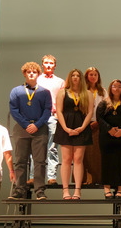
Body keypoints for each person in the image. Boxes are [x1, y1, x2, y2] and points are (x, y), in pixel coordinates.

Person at [9, 61, 52, 200]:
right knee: (20, 160)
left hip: (39, 129)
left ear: (38, 74)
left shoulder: (45, 92)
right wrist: (26, 124)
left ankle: (39, 190)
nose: (31, 74)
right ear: (24, 73)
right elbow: (14, 110)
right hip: (22, 129)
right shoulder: (16, 91)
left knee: (40, 161)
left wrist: (37, 125)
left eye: (34, 72)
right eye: (29, 72)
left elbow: (47, 111)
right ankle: (19, 189)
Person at [54, 69, 93, 200]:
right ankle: (65, 191)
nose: (75, 78)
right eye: (73, 75)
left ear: (81, 78)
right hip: (66, 126)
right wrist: (66, 128)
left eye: (78, 76)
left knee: (78, 159)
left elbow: (90, 112)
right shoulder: (62, 92)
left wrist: (82, 128)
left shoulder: (87, 93)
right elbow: (59, 111)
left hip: (82, 126)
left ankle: (77, 190)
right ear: (69, 78)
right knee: (66, 159)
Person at [97, 80, 121, 198]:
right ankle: (107, 188)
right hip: (106, 136)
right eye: (114, 86)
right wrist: (109, 129)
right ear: (110, 88)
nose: (117, 89)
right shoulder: (104, 103)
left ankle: (120, 189)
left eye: (119, 87)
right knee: (106, 161)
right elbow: (99, 118)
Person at [35, 54, 65, 185]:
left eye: (51, 63)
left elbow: (63, 100)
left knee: (52, 147)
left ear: (55, 65)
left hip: (53, 116)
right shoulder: (36, 79)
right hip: (38, 116)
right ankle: (34, 176)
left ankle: (51, 176)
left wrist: (59, 114)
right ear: (42, 64)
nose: (48, 65)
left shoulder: (60, 82)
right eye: (46, 63)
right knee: (36, 147)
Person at [83, 67, 105, 185]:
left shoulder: (103, 92)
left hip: (98, 124)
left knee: (97, 153)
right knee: (85, 153)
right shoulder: (82, 91)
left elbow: (107, 109)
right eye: (90, 74)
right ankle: (86, 177)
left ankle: (97, 178)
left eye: (95, 74)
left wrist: (98, 122)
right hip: (84, 125)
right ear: (87, 77)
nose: (93, 76)